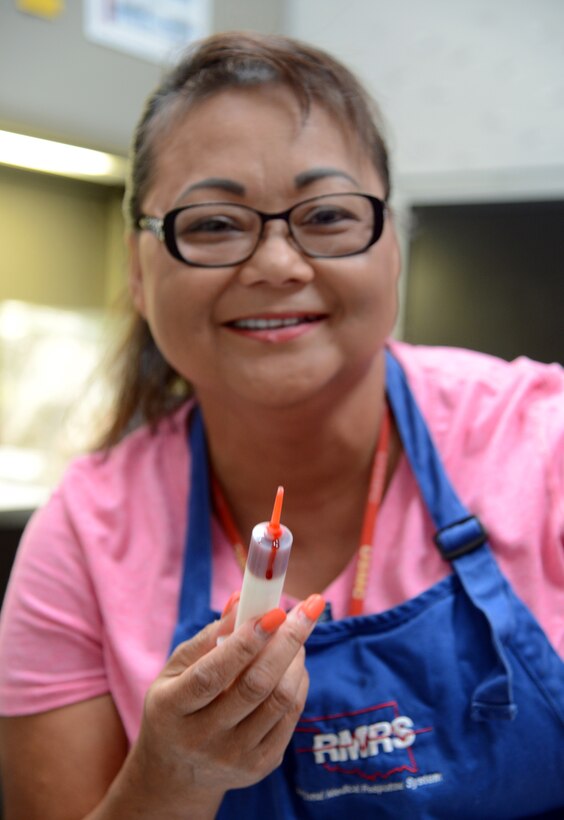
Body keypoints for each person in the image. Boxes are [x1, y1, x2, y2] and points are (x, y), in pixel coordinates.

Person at [0, 30, 563, 820]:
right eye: (215, 224)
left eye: (327, 214)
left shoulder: (543, 445)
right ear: (137, 267)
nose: (275, 264)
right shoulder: (83, 538)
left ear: (391, 247)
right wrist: (174, 777)